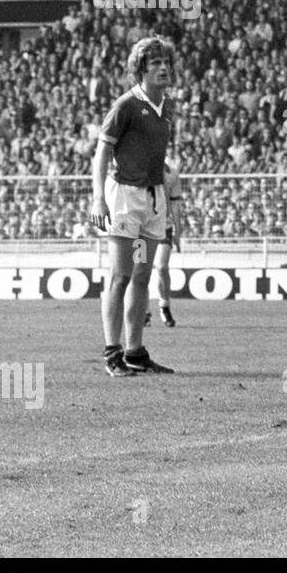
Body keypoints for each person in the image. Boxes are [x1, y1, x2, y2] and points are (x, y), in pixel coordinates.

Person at [87, 36, 179, 376]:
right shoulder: (126, 104)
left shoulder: (167, 106)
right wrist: (98, 197)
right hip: (125, 198)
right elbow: (102, 151)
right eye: (154, 63)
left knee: (142, 274)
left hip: (153, 200)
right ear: (140, 69)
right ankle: (112, 352)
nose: (163, 68)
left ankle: (135, 352)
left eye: (165, 62)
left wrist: (167, 204)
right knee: (121, 275)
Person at [145, 160, 180, 328]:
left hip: (164, 226)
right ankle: (143, 311)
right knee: (140, 270)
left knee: (161, 267)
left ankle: (164, 306)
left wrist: (178, 230)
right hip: (141, 226)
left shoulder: (171, 172)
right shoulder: (138, 164)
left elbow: (175, 203)